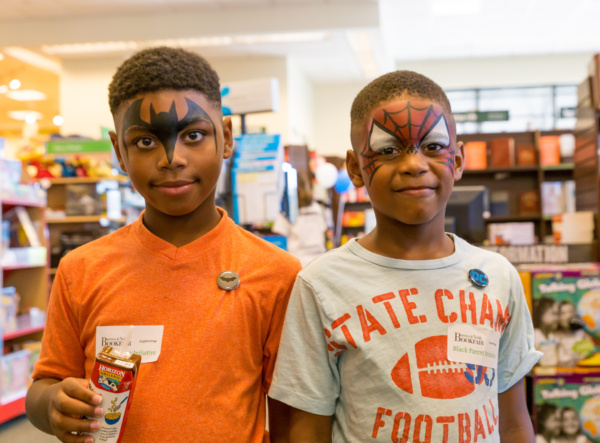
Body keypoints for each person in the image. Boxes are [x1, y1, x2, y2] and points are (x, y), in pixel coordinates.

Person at [26, 46, 301, 443]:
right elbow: (45, 384)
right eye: (144, 142)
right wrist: (53, 403)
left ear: (225, 137)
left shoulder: (277, 273)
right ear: (119, 152)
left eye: (194, 135)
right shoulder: (81, 269)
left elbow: (291, 413)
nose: (172, 159)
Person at [268, 70, 542, 442]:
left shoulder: (497, 276)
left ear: (458, 160)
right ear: (355, 168)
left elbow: (513, 422)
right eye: (388, 150)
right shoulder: (320, 285)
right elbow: (307, 431)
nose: (414, 164)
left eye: (433, 146)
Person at [272, 172, 329, 267]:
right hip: (319, 261)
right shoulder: (316, 207)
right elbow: (323, 231)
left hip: (298, 262)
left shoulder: (286, 211)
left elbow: (279, 238)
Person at [555, 300, 589, 367]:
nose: (568, 316)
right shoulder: (555, 336)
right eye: (563, 313)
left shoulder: (582, 334)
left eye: (571, 312)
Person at [534, 297, 560, 366]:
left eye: (557, 314)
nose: (556, 318)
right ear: (541, 314)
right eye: (553, 313)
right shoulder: (535, 335)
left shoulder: (554, 334)